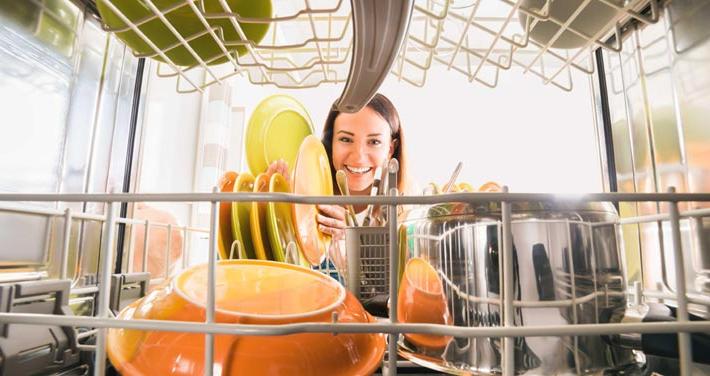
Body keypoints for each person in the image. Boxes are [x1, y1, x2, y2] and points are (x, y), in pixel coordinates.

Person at [267, 93, 408, 239]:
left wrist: (350, 241)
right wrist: (274, 209)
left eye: (374, 142)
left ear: (390, 149)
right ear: (330, 143)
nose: (359, 157)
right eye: (346, 139)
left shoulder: (404, 215)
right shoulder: (306, 198)